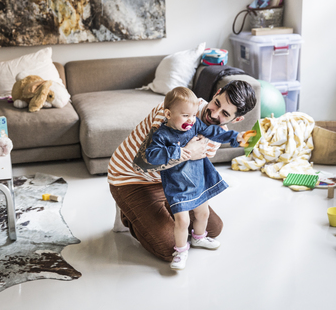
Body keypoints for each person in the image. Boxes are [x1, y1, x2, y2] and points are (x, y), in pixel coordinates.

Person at [107, 80, 256, 263]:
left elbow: (194, 169)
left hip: (172, 182)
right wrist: (187, 153)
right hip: (132, 177)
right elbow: (142, 164)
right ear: (217, 93)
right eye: (217, 103)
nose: (214, 113)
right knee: (169, 248)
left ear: (237, 119)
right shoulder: (174, 109)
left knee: (213, 228)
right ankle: (128, 212)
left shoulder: (217, 133)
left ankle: (161, 210)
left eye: (225, 113)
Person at [145, 87, 244, 270]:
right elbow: (151, 156)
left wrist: (236, 137)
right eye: (185, 116)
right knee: (183, 221)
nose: (190, 120)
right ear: (168, 113)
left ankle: (199, 238)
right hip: (177, 186)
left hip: (197, 181)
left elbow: (215, 132)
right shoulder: (162, 134)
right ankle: (181, 251)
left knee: (203, 214)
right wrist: (181, 152)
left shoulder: (196, 124)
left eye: (192, 115)